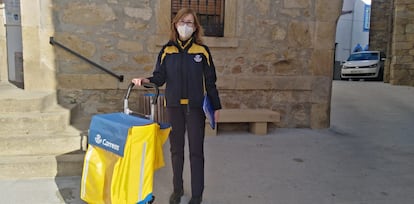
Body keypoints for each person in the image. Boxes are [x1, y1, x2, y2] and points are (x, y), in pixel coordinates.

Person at [131, 8, 221, 204]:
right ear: (175, 24)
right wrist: (145, 79)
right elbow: (160, 77)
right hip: (173, 107)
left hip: (196, 109)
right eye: (182, 22)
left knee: (196, 152)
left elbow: (211, 82)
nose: (185, 26)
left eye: (190, 23)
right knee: (176, 151)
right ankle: (177, 190)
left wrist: (216, 108)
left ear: (196, 27)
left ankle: (197, 195)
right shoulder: (167, 50)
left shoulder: (202, 51)